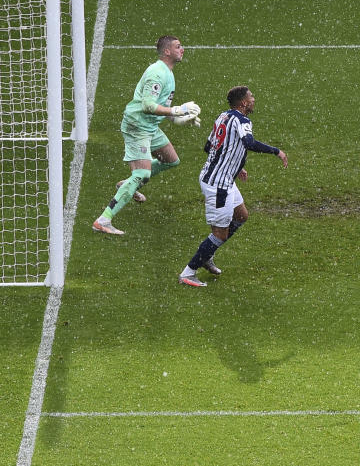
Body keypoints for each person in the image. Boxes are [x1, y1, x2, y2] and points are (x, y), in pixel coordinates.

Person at [179, 86, 288, 287]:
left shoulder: (224, 117)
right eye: (251, 97)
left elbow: (209, 146)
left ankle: (206, 255)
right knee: (219, 233)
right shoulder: (242, 120)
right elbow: (249, 142)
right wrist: (276, 151)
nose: (254, 100)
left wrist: (236, 167)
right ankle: (189, 272)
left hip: (220, 177)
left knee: (241, 216)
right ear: (243, 103)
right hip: (218, 184)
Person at [92, 36, 201, 235]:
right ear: (167, 51)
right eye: (178, 46)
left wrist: (182, 117)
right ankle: (104, 219)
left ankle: (128, 184)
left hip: (150, 126)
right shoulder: (156, 73)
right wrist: (177, 110)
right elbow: (148, 106)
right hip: (138, 125)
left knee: (171, 160)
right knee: (142, 173)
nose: (182, 49)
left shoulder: (168, 73)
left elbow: (163, 109)